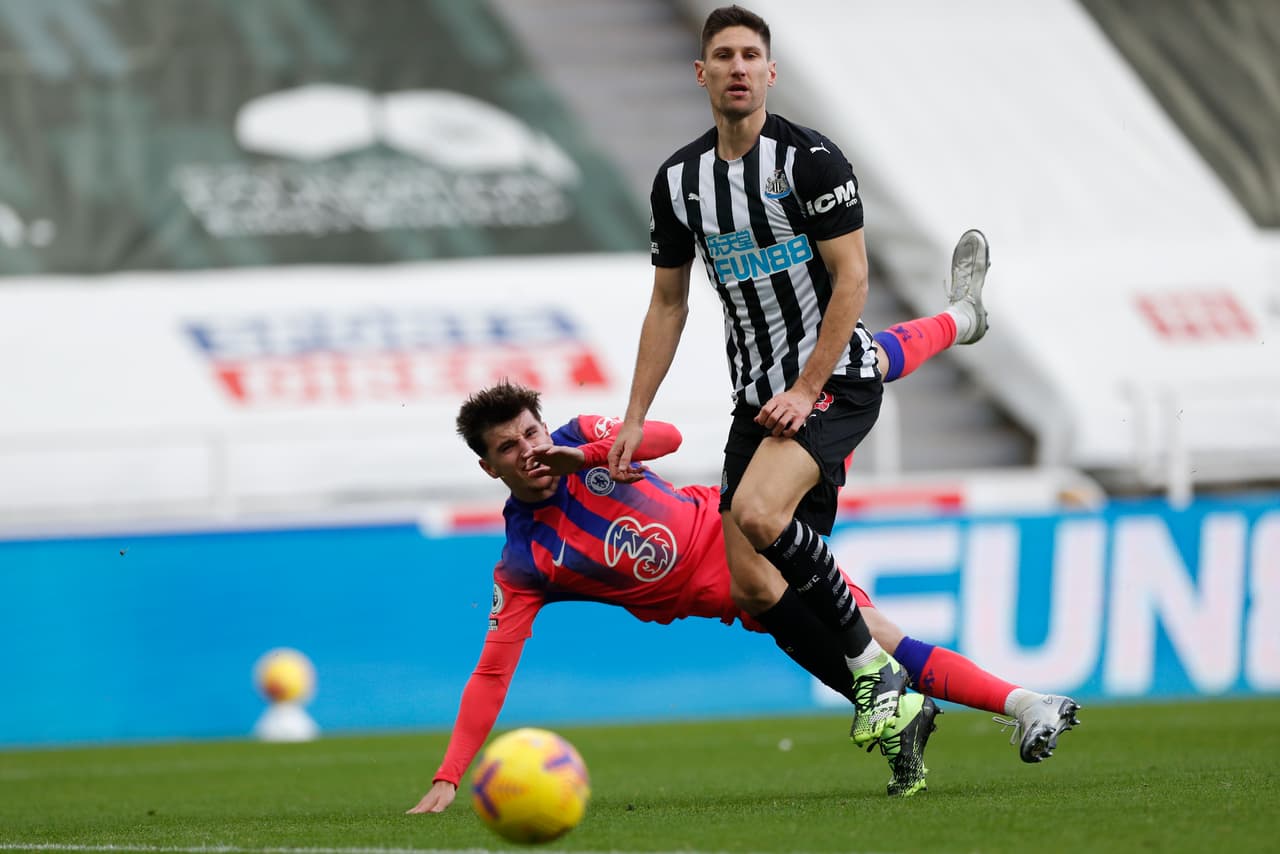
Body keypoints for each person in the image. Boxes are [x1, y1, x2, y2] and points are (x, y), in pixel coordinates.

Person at [406, 270, 1081, 814]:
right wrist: (448, 775)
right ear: (488, 466)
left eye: (530, 432)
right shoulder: (525, 562)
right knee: (879, 641)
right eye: (508, 447)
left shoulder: (585, 435)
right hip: (745, 595)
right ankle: (1024, 704)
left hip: (748, 523)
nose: (528, 449)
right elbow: (492, 672)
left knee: (853, 370)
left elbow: (665, 438)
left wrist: (585, 457)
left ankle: (961, 320)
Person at [610, 4, 916, 750]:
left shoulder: (810, 161)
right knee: (751, 588)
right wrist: (634, 414)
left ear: (771, 72)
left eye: (752, 55)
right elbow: (669, 301)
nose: (739, 67)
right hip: (757, 401)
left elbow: (852, 280)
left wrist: (808, 388)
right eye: (724, 56)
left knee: (756, 513)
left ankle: (872, 670)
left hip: (832, 383)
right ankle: (896, 704)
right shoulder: (679, 182)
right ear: (702, 73)